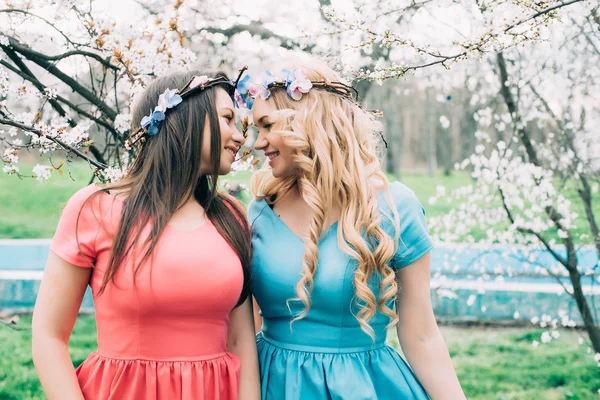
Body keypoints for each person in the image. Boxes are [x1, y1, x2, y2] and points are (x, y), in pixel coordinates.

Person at [32, 70, 260, 400]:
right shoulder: (95, 209)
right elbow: (48, 334)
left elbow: (241, 339)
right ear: (186, 119)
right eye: (227, 119)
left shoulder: (232, 217)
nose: (239, 136)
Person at [245, 61, 466, 399]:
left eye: (267, 125)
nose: (258, 143)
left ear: (308, 122)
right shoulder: (261, 211)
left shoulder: (395, 208)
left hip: (363, 386)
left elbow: (422, 334)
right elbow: (248, 327)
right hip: (274, 384)